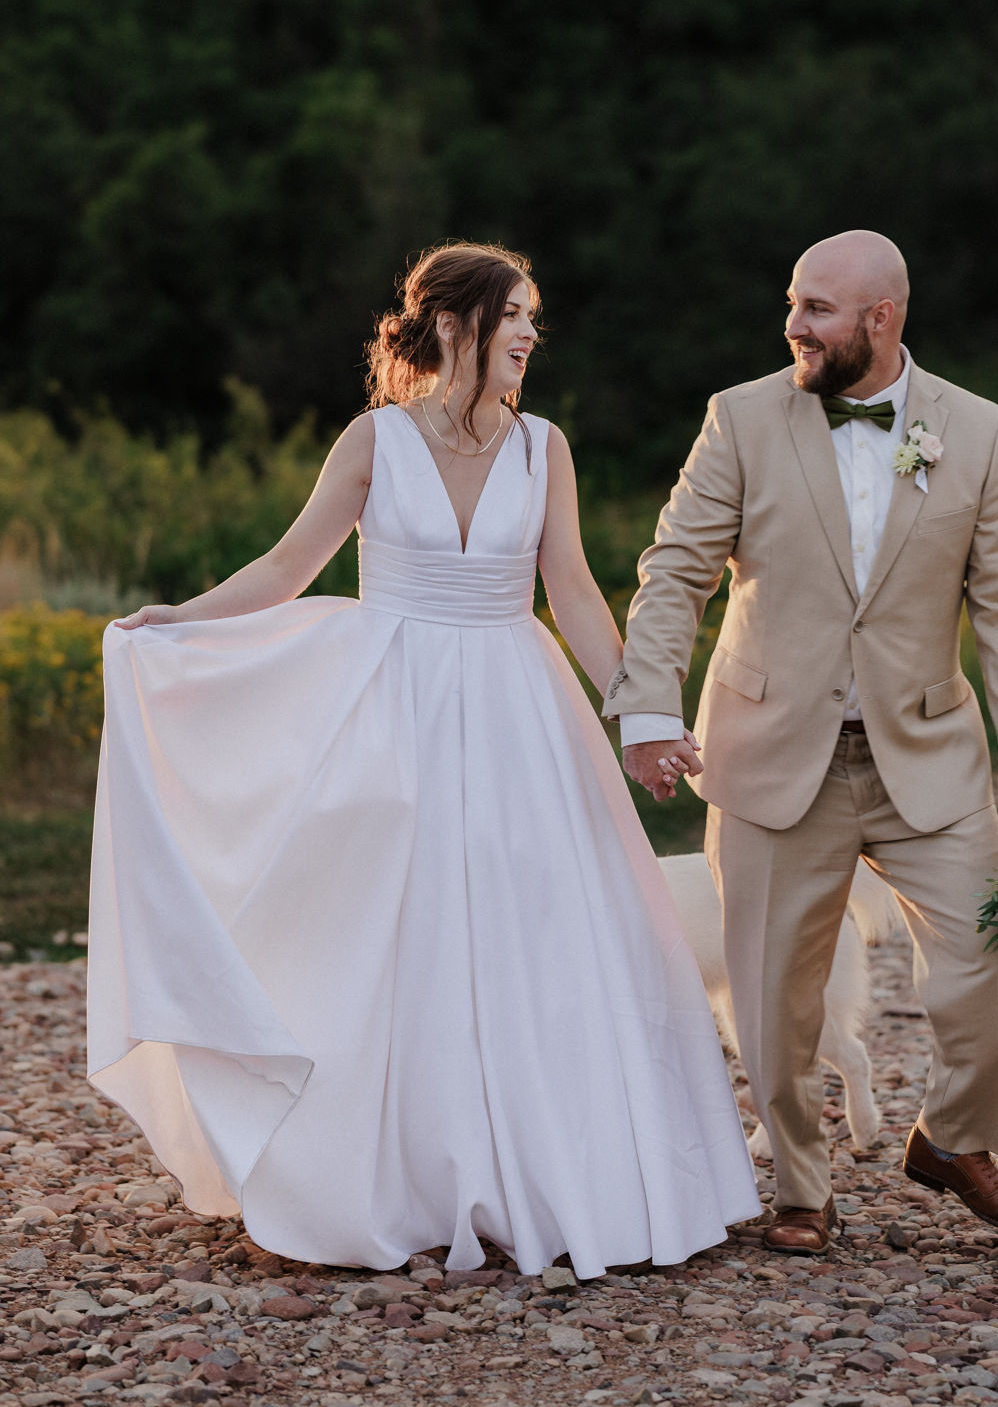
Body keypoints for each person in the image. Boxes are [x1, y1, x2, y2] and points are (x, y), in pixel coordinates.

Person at [90, 241, 759, 1277]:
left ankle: (538, 1171)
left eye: (535, 317)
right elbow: (287, 563)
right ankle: (388, 1177)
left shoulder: (545, 446)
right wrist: (180, 620)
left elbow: (573, 591)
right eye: (515, 315)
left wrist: (642, 713)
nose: (532, 334)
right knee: (384, 931)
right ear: (454, 325)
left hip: (515, 708)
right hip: (388, 701)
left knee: (530, 926)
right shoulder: (375, 440)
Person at [607, 230, 998, 1253]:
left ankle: (955, 1141)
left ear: (880, 317)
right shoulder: (738, 417)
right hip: (773, 745)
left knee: (986, 955)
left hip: (925, 752)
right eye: (791, 302)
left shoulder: (979, 431)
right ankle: (800, 1186)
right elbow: (675, 568)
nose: (793, 324)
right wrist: (646, 708)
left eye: (816, 307)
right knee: (774, 990)